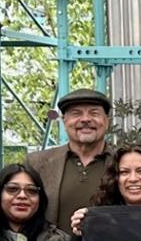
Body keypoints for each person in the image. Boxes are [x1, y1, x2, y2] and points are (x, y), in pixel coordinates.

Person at [26, 87, 112, 233]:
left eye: (94, 113)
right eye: (76, 113)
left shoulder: (124, 162)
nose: (85, 119)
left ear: (106, 121)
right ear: (64, 121)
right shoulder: (37, 163)